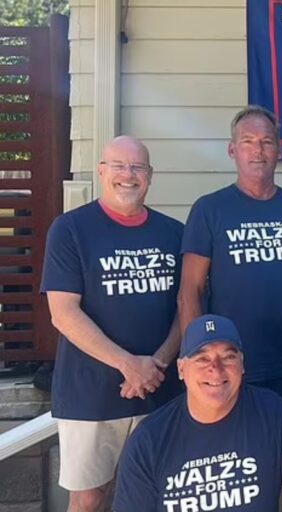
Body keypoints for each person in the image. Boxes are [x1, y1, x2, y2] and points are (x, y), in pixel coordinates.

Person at [41, 136, 183, 511]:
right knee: (89, 498)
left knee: (160, 495)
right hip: (90, 393)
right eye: (118, 165)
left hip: (160, 389)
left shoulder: (173, 233)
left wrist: (157, 364)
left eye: (137, 167)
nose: (128, 175)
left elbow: (187, 308)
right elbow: (63, 313)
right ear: (101, 171)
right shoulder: (70, 229)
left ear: (150, 176)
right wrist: (129, 364)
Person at [178, 105, 282, 432]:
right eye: (247, 141)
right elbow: (190, 291)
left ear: (279, 149)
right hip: (231, 369)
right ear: (232, 150)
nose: (257, 151)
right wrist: (195, 363)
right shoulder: (210, 210)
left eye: (266, 142)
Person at [113, 314, 282, 512]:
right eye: (202, 358)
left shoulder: (274, 414)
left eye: (228, 357)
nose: (216, 369)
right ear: (181, 369)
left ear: (242, 364)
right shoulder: (150, 439)